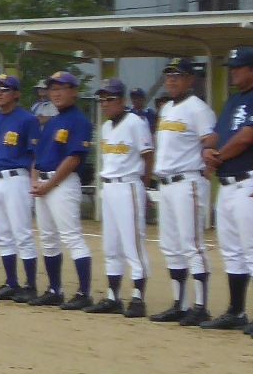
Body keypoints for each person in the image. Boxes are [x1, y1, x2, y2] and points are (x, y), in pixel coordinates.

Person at [149, 58, 216, 325]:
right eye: (169, 76)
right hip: (166, 184)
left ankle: (200, 306)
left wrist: (204, 173)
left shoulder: (198, 108)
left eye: (178, 75)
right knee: (170, 245)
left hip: (188, 181)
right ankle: (180, 303)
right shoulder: (165, 109)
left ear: (191, 80)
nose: (172, 80)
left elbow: (210, 141)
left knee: (192, 245)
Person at [202, 45, 253, 331]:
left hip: (250, 181)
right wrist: (208, 151)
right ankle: (236, 311)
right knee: (233, 251)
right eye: (233, 67)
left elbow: (248, 137)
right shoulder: (234, 100)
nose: (234, 72)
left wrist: (220, 155)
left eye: (240, 67)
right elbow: (219, 134)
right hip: (226, 183)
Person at [28, 72, 94, 311]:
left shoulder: (80, 121)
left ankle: (84, 292)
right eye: (52, 88)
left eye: (62, 88)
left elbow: (74, 158)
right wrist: (35, 180)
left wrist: (50, 183)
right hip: (44, 183)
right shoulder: (52, 122)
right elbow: (37, 156)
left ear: (74, 91)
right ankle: (55, 289)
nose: (55, 92)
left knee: (71, 236)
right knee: (47, 238)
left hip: (62, 183)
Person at [88, 79, 153, 316]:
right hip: (110, 187)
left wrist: (144, 188)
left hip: (129, 185)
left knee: (133, 243)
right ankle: (113, 296)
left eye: (110, 99)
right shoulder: (105, 127)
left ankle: (137, 297)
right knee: (111, 244)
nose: (105, 104)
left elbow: (148, 157)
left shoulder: (136, 122)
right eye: (102, 99)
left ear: (122, 100)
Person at [0, 73, 41, 301]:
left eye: (4, 90)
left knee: (22, 232)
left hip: (17, 177)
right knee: (2, 234)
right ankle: (11, 282)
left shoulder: (27, 119)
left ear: (16, 94)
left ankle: (31, 285)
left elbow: (35, 153)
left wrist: (34, 179)